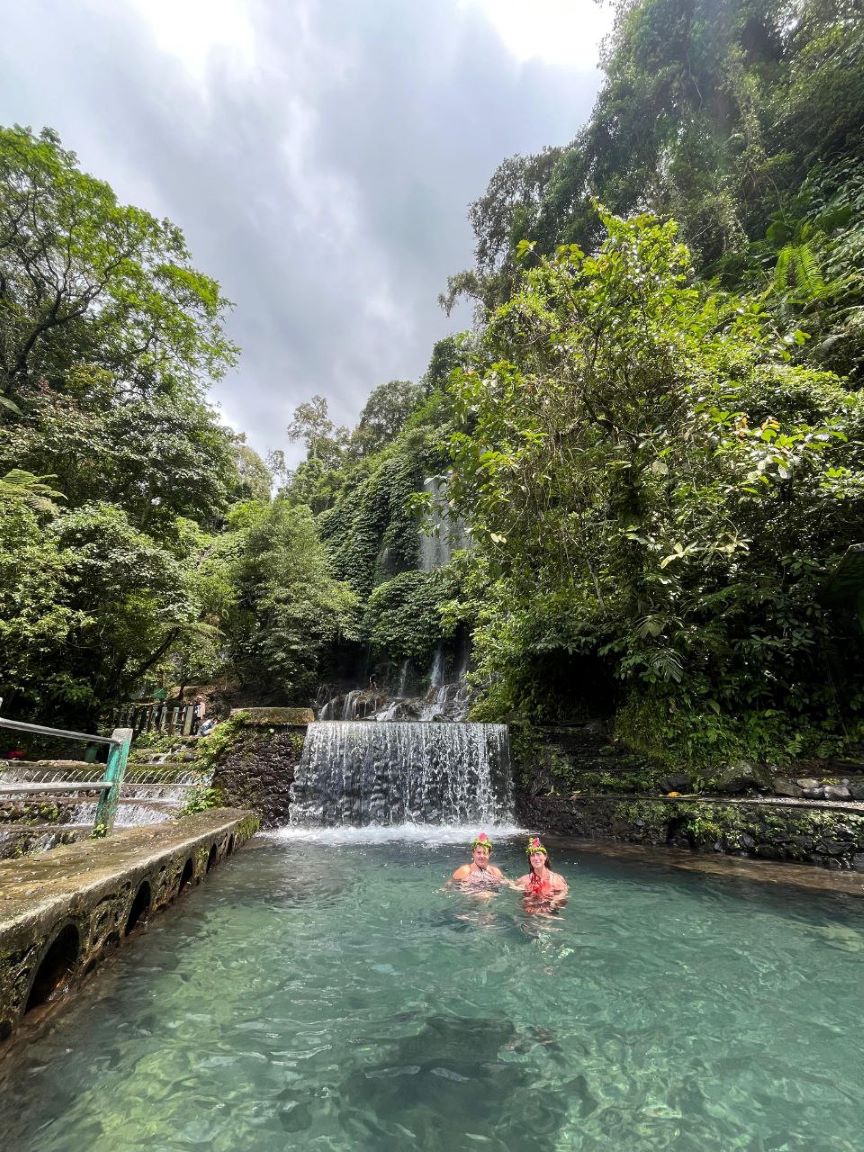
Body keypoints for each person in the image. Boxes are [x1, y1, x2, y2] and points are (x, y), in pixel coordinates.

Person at [513, 836, 568, 911]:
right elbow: (511, 886)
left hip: (549, 914)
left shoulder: (557, 880)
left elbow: (563, 898)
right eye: (532, 855)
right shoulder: (524, 880)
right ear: (529, 859)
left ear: (545, 857)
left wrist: (554, 901)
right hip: (528, 915)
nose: (536, 858)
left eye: (538, 854)